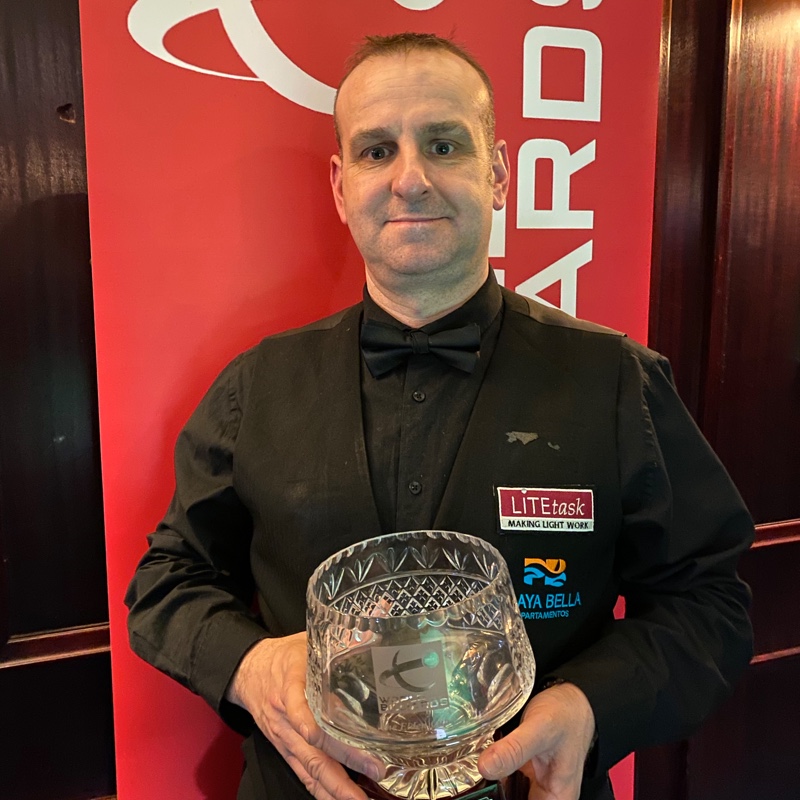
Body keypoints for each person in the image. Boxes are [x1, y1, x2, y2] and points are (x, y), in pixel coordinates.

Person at [125, 33, 754, 800]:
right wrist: (251, 667)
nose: (410, 179)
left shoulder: (621, 383)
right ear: (339, 184)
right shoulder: (254, 387)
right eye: (377, 150)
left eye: (445, 144)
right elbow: (166, 581)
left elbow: (710, 604)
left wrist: (591, 704)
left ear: (497, 173)